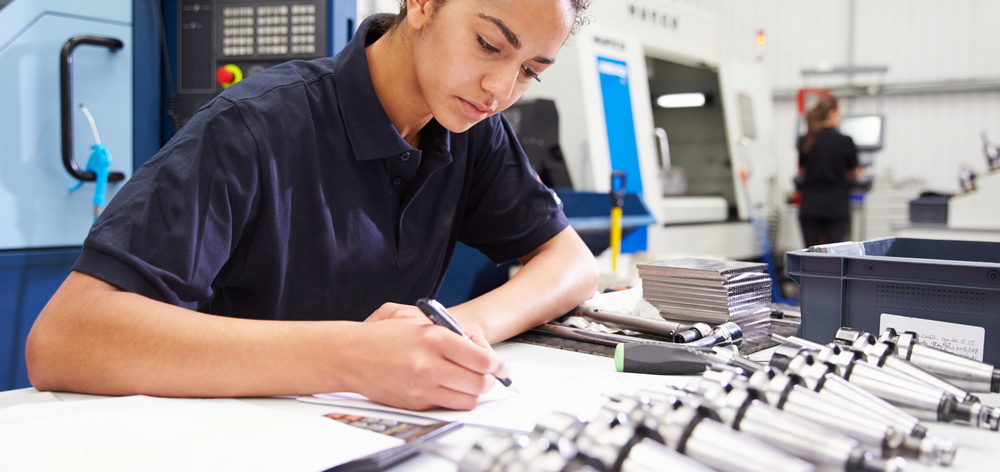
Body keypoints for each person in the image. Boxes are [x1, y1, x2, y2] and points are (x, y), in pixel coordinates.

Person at [25, 0, 598, 412]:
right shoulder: (254, 127)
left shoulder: (472, 129)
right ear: (421, 4)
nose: (500, 89)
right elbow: (65, 338)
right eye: (488, 45)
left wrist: (462, 327)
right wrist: (352, 356)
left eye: (529, 71)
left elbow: (570, 262)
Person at [796, 96, 861, 248]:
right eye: (839, 114)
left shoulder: (806, 140)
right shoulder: (845, 141)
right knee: (833, 257)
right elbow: (853, 173)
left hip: (809, 206)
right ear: (832, 113)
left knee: (809, 255)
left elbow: (803, 171)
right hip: (835, 206)